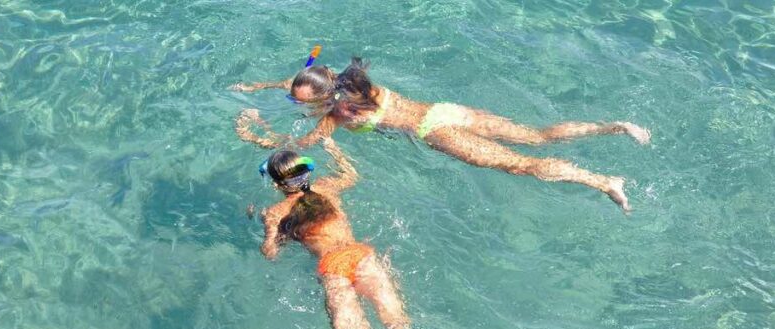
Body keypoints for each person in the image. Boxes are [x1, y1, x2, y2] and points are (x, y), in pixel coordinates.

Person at [232, 57, 651, 212]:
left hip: (439, 132)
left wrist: (258, 135)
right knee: (537, 137)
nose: (297, 102)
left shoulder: (337, 115)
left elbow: (300, 149)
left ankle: (603, 181)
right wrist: (260, 87)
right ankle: (617, 126)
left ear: (324, 97)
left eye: (301, 100)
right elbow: (301, 81)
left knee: (520, 165)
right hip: (443, 110)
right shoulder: (349, 83)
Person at [257, 139, 430, 329]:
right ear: (307, 173)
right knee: (394, 318)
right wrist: (334, 148)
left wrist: (264, 222)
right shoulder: (327, 187)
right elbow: (352, 174)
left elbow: (270, 253)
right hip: (361, 254)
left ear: (278, 186)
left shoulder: (277, 212)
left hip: (333, 265)